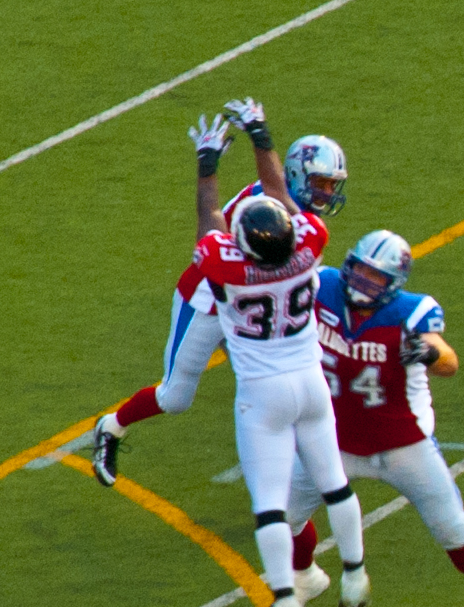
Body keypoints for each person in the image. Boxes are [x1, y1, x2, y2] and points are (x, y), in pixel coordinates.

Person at [282, 229, 464, 607]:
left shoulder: (412, 313)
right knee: (282, 517)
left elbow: (448, 361)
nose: (363, 282)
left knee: (452, 527)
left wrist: (431, 353)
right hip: (332, 440)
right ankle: (306, 576)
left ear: (393, 283)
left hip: (402, 445)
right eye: (360, 270)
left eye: (376, 277)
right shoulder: (321, 287)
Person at [88, 118, 346, 470]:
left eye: (332, 185)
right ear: (297, 175)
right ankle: (112, 426)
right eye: (321, 183)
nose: (326, 193)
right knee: (175, 397)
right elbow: (213, 238)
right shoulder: (262, 210)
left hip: (250, 308)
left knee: (275, 383)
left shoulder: (294, 212)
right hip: (210, 299)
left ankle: (298, 466)